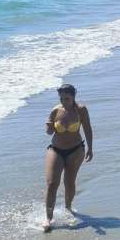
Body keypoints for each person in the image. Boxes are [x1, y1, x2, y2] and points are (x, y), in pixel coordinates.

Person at [44, 83, 92, 231]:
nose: (64, 101)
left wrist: (90, 148)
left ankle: (68, 207)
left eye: (67, 98)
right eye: (62, 98)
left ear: (73, 97)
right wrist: (49, 126)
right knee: (52, 184)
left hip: (76, 150)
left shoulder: (81, 110)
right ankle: (48, 219)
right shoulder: (55, 111)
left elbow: (87, 129)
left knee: (69, 182)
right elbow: (48, 133)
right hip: (56, 150)